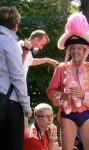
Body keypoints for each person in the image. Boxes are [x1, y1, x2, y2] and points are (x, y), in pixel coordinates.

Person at [47, 12, 89, 150]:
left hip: (86, 113)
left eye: (79, 48)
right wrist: (64, 96)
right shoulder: (60, 69)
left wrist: (82, 95)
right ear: (69, 51)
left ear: (85, 50)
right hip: (67, 114)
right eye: (73, 48)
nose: (76, 51)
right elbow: (50, 92)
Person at [0, 6, 32, 150]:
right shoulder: (8, 41)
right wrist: (26, 106)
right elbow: (18, 76)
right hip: (7, 103)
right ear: (15, 25)